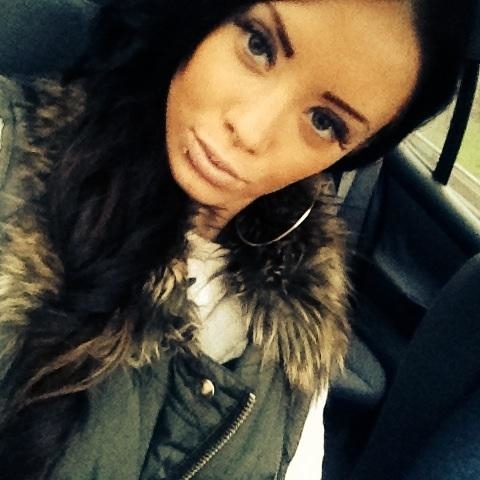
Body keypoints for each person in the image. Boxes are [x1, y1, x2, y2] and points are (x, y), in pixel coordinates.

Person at [0, 0, 474, 478]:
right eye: (258, 45)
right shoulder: (10, 156)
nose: (249, 130)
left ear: (351, 153)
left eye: (324, 122)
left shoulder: (302, 335)